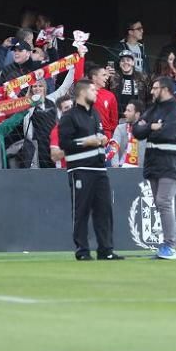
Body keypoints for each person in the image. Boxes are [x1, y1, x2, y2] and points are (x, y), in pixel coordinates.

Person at [60, 79, 123, 261]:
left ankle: (106, 249)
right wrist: (87, 142)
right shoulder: (69, 116)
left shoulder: (94, 114)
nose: (96, 93)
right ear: (82, 93)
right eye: (93, 90)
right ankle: (82, 250)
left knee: (104, 209)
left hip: (99, 169)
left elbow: (99, 135)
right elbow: (65, 144)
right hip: (80, 169)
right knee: (81, 211)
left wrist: (102, 140)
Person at [133, 76, 176, 260]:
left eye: (155, 88)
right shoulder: (152, 110)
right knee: (159, 203)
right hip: (154, 163)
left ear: (165, 89)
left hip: (172, 163)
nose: (152, 91)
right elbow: (137, 131)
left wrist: (151, 130)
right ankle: (166, 244)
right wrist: (152, 127)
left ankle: (170, 246)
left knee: (164, 201)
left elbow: (169, 132)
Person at [87, 64, 119, 146]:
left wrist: (109, 137)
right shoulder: (84, 92)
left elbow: (114, 121)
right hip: (87, 134)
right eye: (104, 75)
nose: (107, 77)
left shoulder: (110, 96)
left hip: (106, 137)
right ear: (94, 77)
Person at [110, 51, 149, 116]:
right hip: (117, 117)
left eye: (128, 60)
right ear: (119, 64)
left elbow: (149, 98)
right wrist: (105, 74)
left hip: (137, 117)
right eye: (122, 61)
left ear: (133, 63)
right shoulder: (113, 77)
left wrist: (145, 115)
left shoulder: (142, 77)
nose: (125, 62)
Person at [109, 100, 146, 168]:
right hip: (121, 167)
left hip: (140, 169)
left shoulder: (146, 129)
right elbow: (114, 148)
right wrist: (115, 166)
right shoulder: (120, 128)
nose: (125, 113)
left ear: (137, 114)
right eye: (126, 110)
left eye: (129, 111)